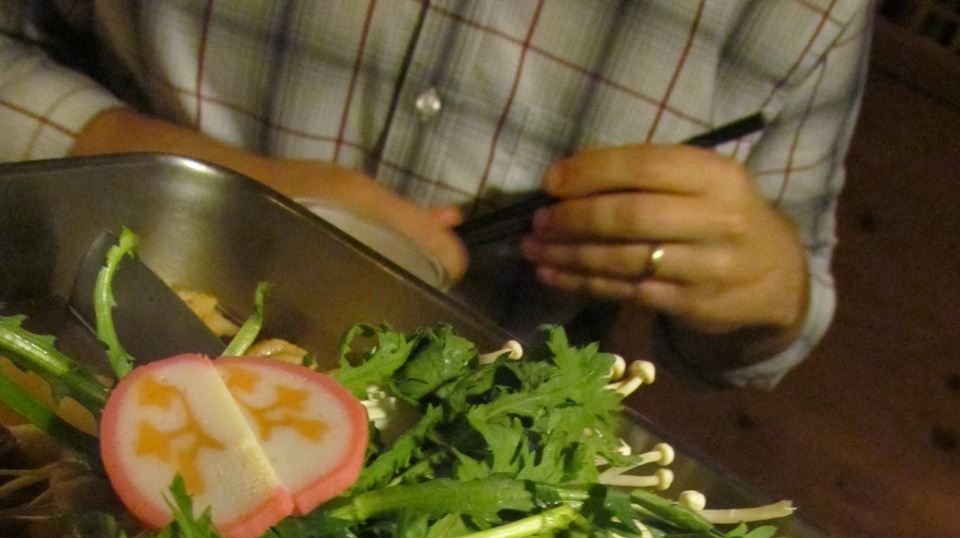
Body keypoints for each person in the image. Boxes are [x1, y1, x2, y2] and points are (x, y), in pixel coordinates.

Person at [0, 1, 874, 387]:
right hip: (69, 338)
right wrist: (224, 195)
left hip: (460, 475)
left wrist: (765, 286)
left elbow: (779, 325)